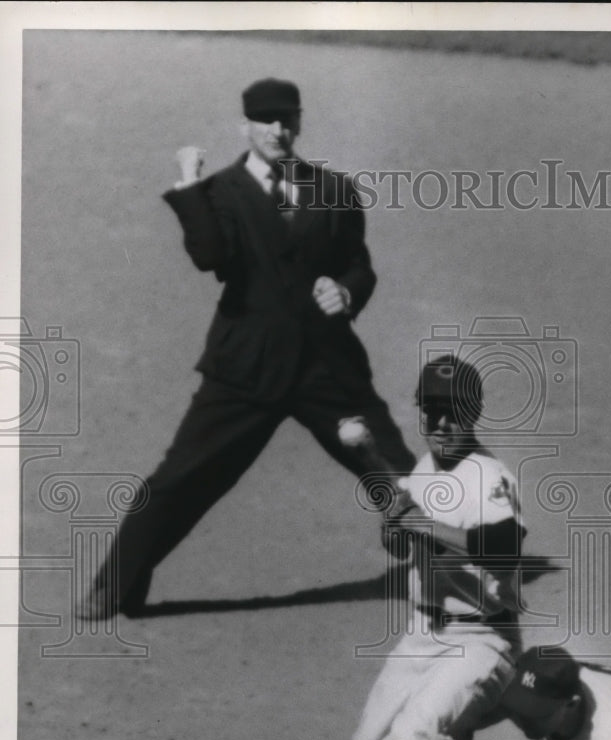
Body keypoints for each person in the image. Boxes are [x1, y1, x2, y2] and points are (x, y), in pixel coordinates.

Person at [76, 77, 414, 620]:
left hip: (326, 366)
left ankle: (464, 567)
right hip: (246, 368)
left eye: (287, 120)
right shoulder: (220, 192)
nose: (278, 131)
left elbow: (359, 263)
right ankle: (116, 581)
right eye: (266, 121)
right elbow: (210, 257)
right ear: (246, 127)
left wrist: (347, 290)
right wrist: (188, 185)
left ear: (299, 123)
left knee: (399, 473)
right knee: (181, 478)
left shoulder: (335, 189)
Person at [348, 355, 525, 740]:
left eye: (454, 413)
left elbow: (500, 550)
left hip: (482, 640)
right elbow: (410, 547)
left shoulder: (491, 479)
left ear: (472, 415)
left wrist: (424, 524)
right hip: (423, 634)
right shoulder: (423, 471)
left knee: (412, 736)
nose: (442, 423)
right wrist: (399, 529)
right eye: (432, 411)